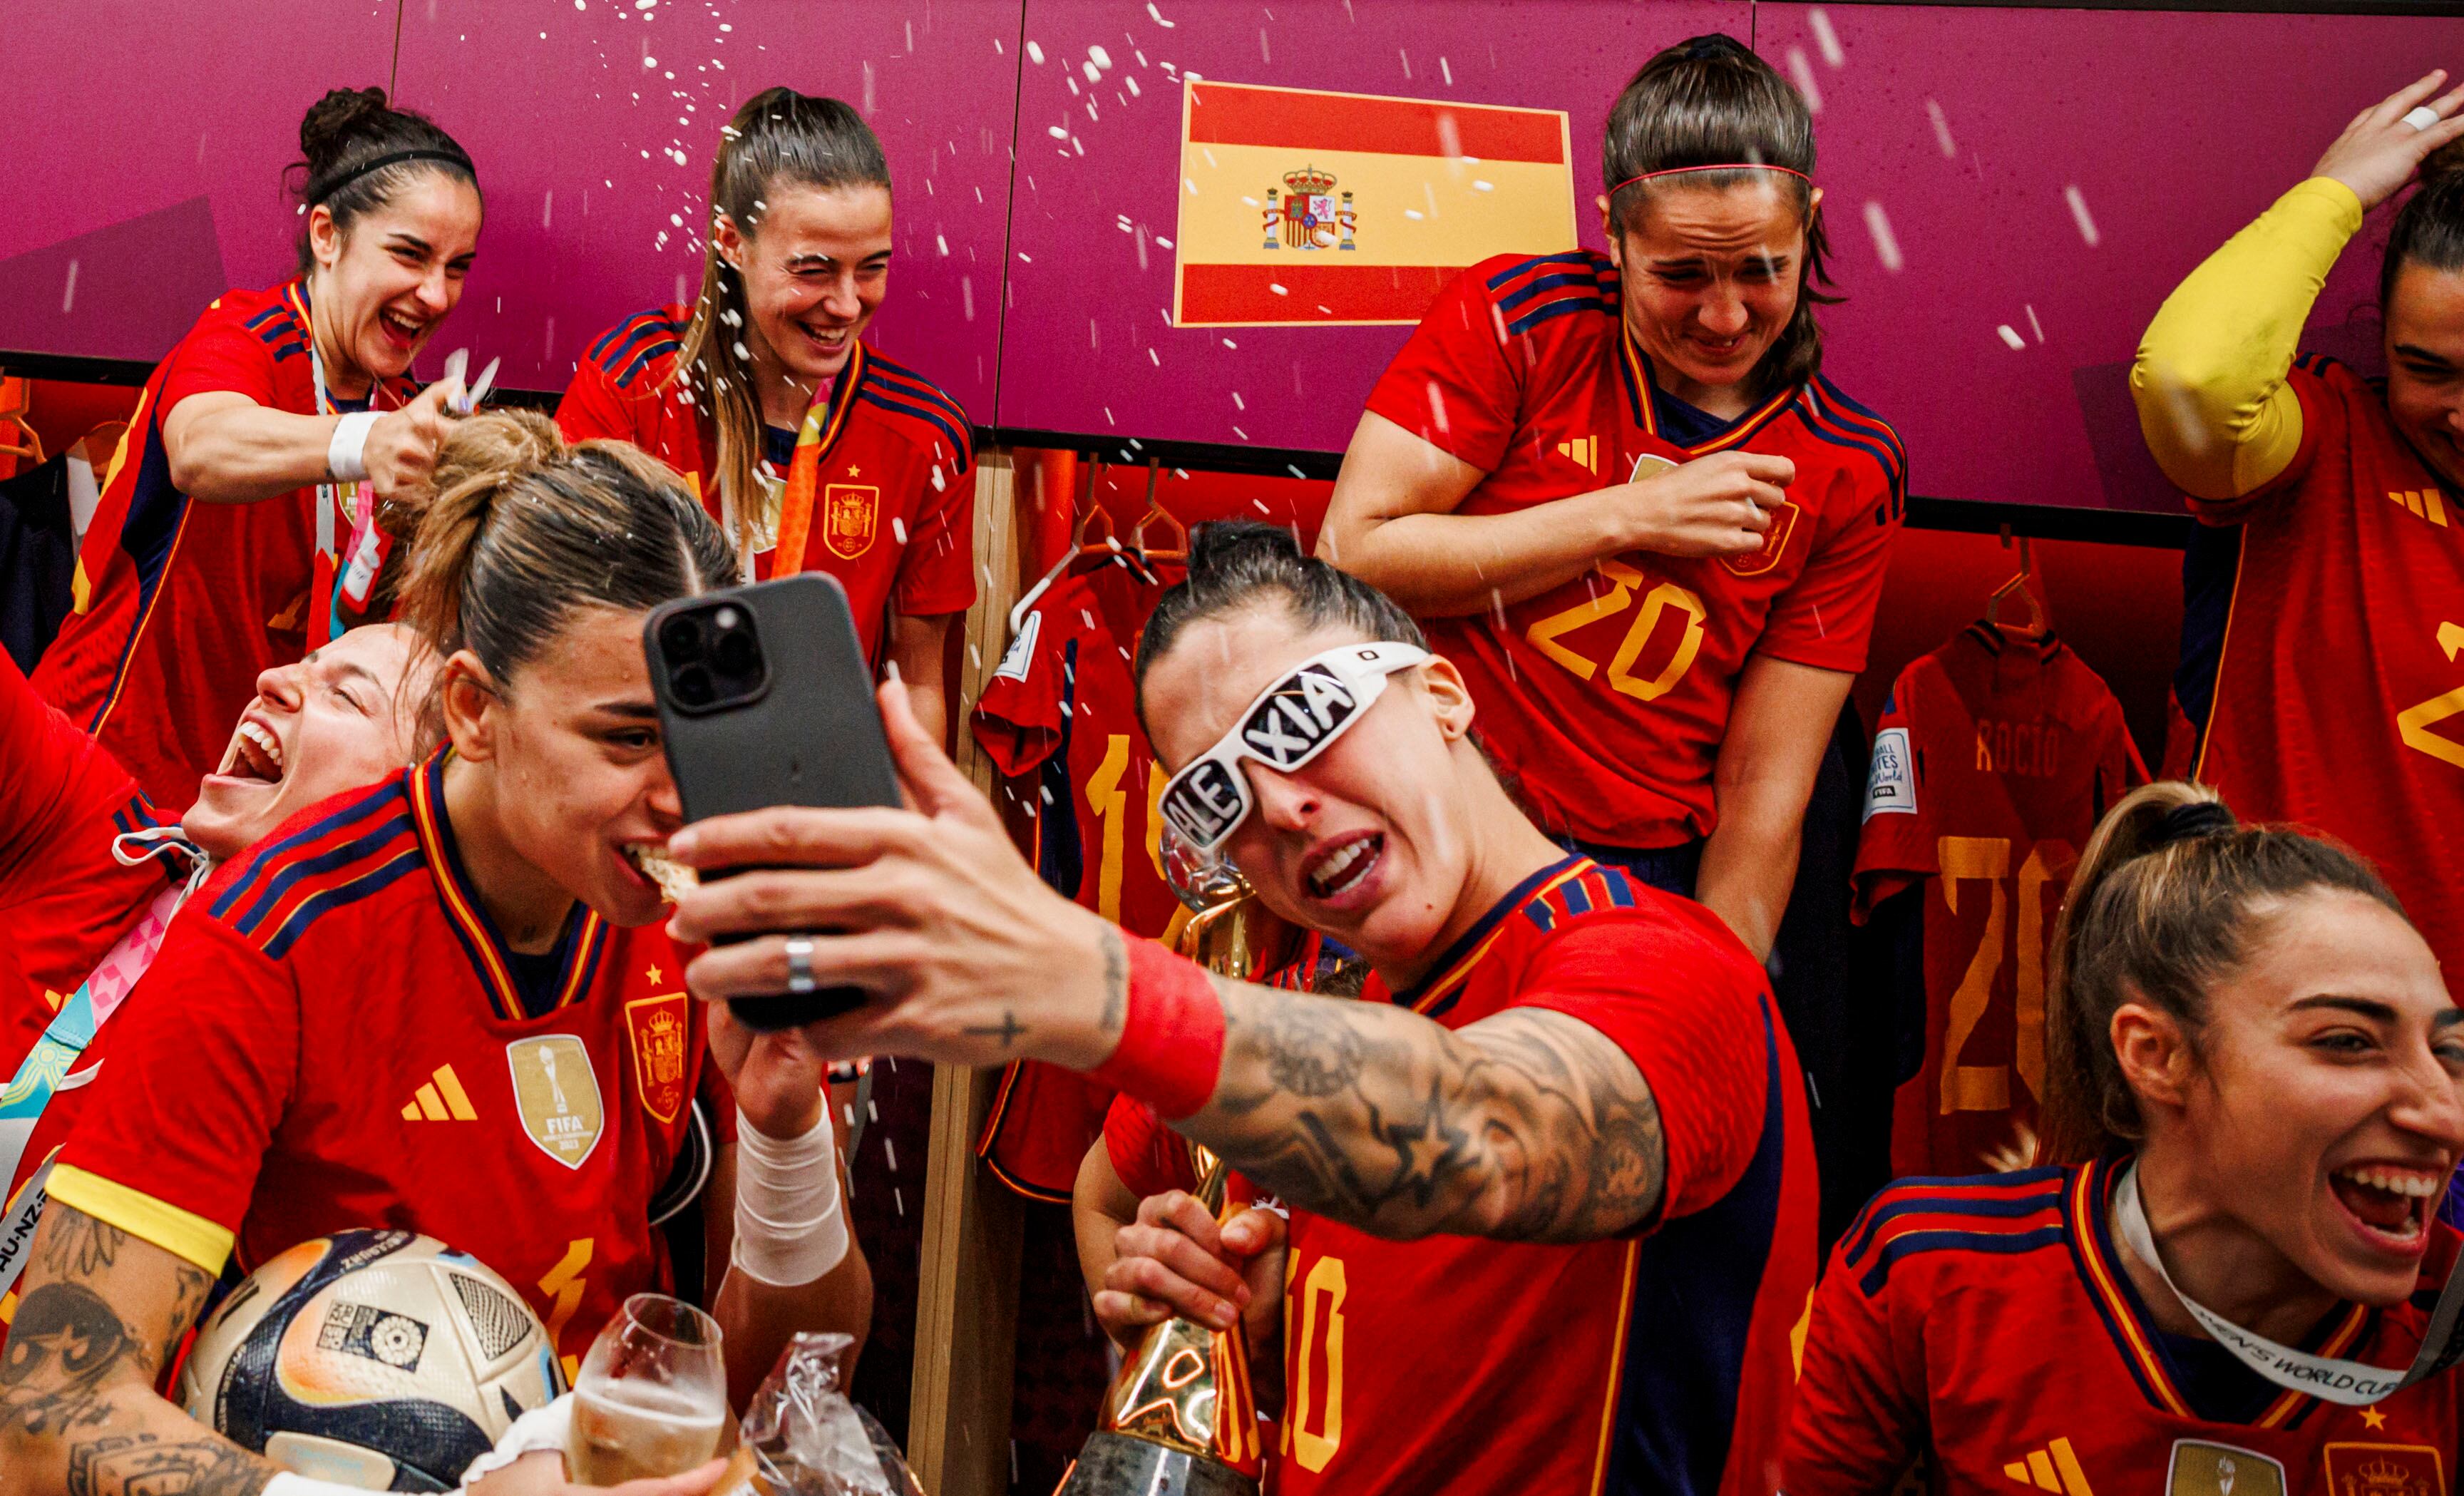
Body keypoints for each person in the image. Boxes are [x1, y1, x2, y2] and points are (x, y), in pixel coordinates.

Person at [665, 522, 1819, 1496]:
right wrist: (1227, 1332)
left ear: (1442, 693)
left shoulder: (1664, 966)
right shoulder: (1301, 1007)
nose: (1284, 805)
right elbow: (1112, 1190)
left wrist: (1077, 983)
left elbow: (1487, 1129)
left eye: (1306, 719)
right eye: (1216, 788)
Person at [0, 414, 870, 1496]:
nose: (683, 795)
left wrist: (784, 1130)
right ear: (473, 709)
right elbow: (47, 1419)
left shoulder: (687, 922)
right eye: (629, 739)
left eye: (703, 739)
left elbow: (787, 1381)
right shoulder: (275, 938)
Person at [1314, 34, 1903, 957]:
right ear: (1613, 233)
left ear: (1810, 221)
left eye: (1762, 269)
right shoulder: (1518, 319)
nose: (1724, 316)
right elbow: (1353, 554)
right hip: (1427, 805)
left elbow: (1761, 792)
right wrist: (1627, 518)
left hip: (1633, 876)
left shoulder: (1850, 466)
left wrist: (1717, 1001)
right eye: (1680, 275)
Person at [1786, 782, 2464, 1492]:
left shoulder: (2441, 1328)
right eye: (2350, 1041)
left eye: (2449, 1051)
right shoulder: (1929, 1274)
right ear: (2157, 1056)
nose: (2444, 1116)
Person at [33, 86, 482, 812]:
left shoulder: (403, 407)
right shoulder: (246, 333)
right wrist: (365, 443)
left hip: (250, 805)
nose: (434, 294)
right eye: (410, 255)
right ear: (328, 236)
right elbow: (202, 449)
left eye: (458, 267)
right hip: (102, 778)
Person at [2135, 75, 2464, 985]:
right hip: (2267, 1015)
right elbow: (2193, 387)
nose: (2461, 418)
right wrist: (2335, 194)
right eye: (2425, 368)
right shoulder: (2321, 447)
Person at [557, 86, 973, 747]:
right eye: (813, 270)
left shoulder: (924, 433)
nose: (845, 305)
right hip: (648, 773)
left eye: (871, 269)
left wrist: (913, 838)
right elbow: (562, 628)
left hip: (818, 798)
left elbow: (917, 683)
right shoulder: (634, 382)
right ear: (731, 241)